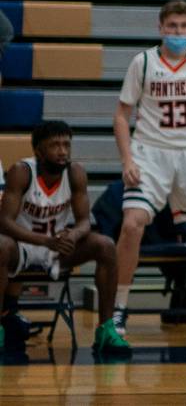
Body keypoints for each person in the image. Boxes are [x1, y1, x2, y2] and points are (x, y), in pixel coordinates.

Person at [112, 0, 186, 340]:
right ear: (160, 27)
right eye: (172, 26)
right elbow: (121, 115)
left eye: (184, 26)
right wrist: (127, 161)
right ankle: (119, 308)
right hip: (151, 153)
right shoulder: (144, 62)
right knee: (132, 224)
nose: (178, 32)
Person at [0, 121, 128, 356]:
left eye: (66, 145)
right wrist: (44, 241)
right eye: (55, 145)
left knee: (106, 245)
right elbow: (4, 221)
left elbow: (84, 221)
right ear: (38, 150)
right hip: (22, 246)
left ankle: (106, 330)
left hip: (56, 248)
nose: (62, 151)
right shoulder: (22, 172)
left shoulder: (75, 172)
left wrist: (74, 234)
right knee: (1, 245)